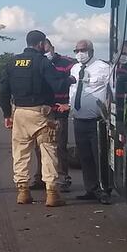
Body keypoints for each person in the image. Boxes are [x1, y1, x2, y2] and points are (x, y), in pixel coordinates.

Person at [0, 29, 67, 208]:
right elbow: (57, 84)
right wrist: (71, 80)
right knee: (48, 151)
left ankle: (23, 192)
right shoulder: (42, 62)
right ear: (41, 44)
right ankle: (52, 194)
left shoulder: (12, 62)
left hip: (19, 113)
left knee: (20, 153)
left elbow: (3, 92)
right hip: (41, 115)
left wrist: (7, 114)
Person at [69, 38, 115, 203]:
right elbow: (73, 90)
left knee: (100, 156)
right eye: (77, 51)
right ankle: (91, 188)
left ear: (91, 50)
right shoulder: (74, 69)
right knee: (85, 157)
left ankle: (104, 190)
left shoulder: (104, 68)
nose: (79, 54)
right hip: (79, 120)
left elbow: (113, 92)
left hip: (97, 122)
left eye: (83, 50)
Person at [42, 37, 77, 192]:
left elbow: (77, 84)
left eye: (47, 47)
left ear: (52, 47)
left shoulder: (68, 63)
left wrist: (69, 105)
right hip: (44, 111)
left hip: (61, 110)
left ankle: (63, 178)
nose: (45, 51)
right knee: (44, 147)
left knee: (60, 146)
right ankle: (44, 177)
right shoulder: (40, 64)